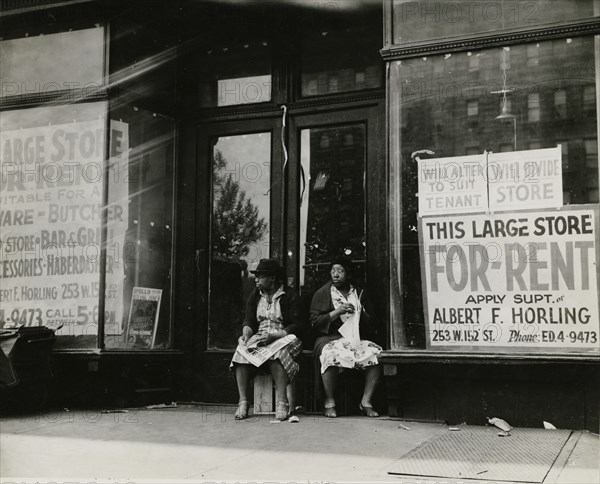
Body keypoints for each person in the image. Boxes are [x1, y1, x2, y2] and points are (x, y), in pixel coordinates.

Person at [230, 258, 304, 421]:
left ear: (272, 278)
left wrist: (276, 336)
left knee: (277, 353)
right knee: (240, 353)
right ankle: (243, 402)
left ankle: (282, 403)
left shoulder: (289, 295)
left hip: (285, 336)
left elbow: (298, 325)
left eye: (260, 276)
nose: (256, 280)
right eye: (256, 277)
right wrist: (246, 334)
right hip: (262, 336)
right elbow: (249, 320)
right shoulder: (256, 295)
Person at [310, 257, 382, 418]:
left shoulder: (358, 292)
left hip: (355, 338)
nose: (336, 275)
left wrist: (360, 312)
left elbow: (373, 321)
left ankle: (366, 402)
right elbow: (314, 322)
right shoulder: (322, 293)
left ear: (348, 274)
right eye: (333, 271)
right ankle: (329, 401)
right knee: (330, 355)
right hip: (331, 338)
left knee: (376, 353)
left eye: (340, 271)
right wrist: (338, 312)